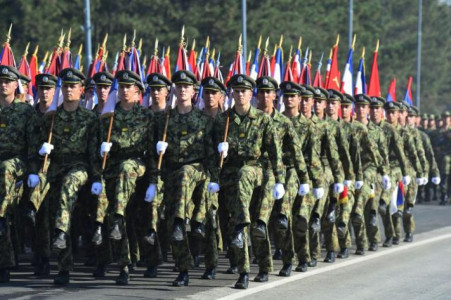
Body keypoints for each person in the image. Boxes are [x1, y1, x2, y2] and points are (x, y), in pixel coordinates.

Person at [210, 74, 285, 289]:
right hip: (231, 178)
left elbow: (275, 153)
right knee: (239, 225)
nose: (240, 94)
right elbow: (209, 153)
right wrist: (219, 155)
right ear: (232, 93)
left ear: (251, 94)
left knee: (246, 222)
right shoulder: (223, 121)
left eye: (244, 91)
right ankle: (244, 272)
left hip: (257, 172)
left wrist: (279, 180)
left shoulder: (263, 120)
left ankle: (261, 265)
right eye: (237, 90)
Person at [36, 68, 99, 284]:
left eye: (73, 86)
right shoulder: (52, 118)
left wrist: (97, 178)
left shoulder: (90, 119)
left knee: (68, 185)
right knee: (55, 209)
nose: (69, 89)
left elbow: (93, 153)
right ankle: (63, 268)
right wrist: (42, 150)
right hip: (56, 166)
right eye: (66, 86)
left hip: (79, 167)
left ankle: (61, 233)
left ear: (82, 90)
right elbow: (39, 145)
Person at [154, 70, 215, 287]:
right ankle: (183, 269)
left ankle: (210, 261)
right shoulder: (164, 119)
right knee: (173, 226)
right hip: (172, 171)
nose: (182, 90)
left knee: (199, 217)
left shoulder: (204, 120)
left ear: (193, 91)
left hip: (197, 170)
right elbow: (154, 156)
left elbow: (210, 155)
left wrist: (212, 180)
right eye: (179, 87)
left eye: (186, 87)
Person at [0, 65, 38, 283]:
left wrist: (32, 172)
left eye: (8, 81)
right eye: (1, 81)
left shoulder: (25, 112)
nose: (4, 84)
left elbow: (32, 146)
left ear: (16, 85)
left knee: (2, 213)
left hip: (16, 165)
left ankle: (5, 264)